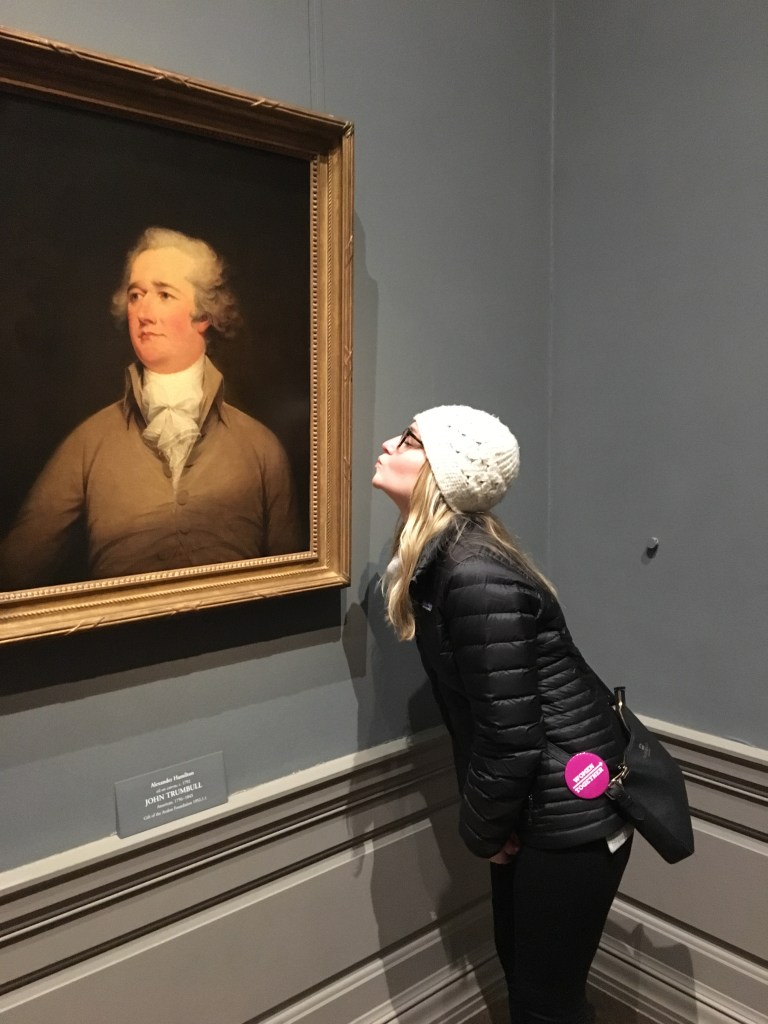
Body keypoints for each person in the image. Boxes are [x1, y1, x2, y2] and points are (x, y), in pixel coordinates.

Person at [372, 405, 632, 1024]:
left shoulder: (472, 574)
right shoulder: (450, 560)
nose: (388, 444)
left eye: (409, 439)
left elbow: (509, 736)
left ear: (442, 471)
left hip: (571, 816)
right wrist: (496, 823)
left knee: (546, 1002)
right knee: (529, 983)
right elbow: (493, 719)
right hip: (544, 805)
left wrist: (484, 833)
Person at [0, 227, 301, 589]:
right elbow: (14, 571)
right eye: (136, 295)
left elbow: (295, 584)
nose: (143, 312)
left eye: (164, 294)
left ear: (203, 315)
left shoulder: (260, 447)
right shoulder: (88, 444)